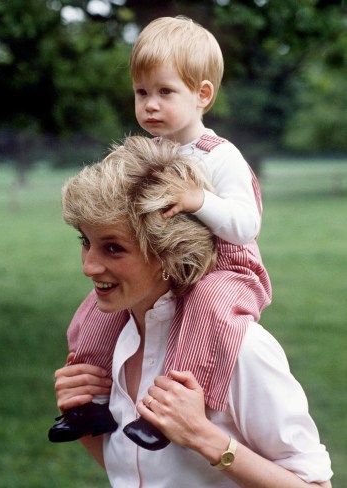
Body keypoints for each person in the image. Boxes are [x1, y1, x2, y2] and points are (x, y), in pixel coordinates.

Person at [52, 135, 333, 487]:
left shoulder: (241, 349)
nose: (89, 266)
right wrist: (81, 418)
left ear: (169, 252)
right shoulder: (115, 340)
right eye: (86, 242)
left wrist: (205, 438)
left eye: (113, 248)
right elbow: (132, 475)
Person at [48, 15, 272, 449]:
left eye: (165, 92)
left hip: (226, 268)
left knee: (208, 307)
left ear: (202, 94)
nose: (150, 105)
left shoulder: (218, 155)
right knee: (94, 312)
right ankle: (89, 401)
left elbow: (246, 226)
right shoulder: (152, 151)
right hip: (165, 263)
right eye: (141, 92)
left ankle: (168, 409)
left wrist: (198, 201)